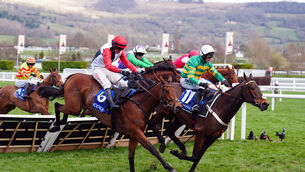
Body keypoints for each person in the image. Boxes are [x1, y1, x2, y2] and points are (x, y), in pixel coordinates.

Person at [90, 35, 138, 112]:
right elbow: (108, 66)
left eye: (121, 49)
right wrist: (121, 71)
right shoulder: (106, 50)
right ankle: (112, 105)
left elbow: (127, 63)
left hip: (106, 68)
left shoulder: (121, 51)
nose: (118, 51)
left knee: (123, 84)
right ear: (113, 45)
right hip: (97, 68)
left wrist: (135, 72)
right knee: (107, 84)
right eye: (118, 48)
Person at [180, 44, 230, 114]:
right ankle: (195, 106)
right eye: (208, 56)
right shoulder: (194, 60)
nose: (210, 59)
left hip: (196, 79)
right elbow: (190, 77)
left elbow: (215, 73)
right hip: (185, 80)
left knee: (212, 88)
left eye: (211, 57)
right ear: (203, 55)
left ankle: (206, 104)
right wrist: (200, 83)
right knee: (201, 86)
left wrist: (223, 80)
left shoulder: (208, 63)